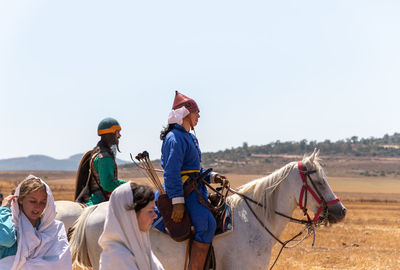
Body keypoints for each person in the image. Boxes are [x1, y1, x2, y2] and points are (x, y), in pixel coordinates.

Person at [155, 91, 228, 270]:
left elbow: (195, 169)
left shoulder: (190, 137)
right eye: (196, 112)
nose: (199, 116)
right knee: (207, 224)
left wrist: (213, 176)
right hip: (181, 191)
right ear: (186, 113)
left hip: (195, 188)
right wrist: (178, 202)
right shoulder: (175, 138)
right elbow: (171, 172)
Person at [0, 175, 72, 269]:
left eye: (43, 202)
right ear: (21, 199)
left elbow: (61, 263)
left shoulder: (54, 229)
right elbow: (7, 240)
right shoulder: (9, 223)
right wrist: (4, 209)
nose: (38, 207)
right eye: (33, 201)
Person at [98, 182, 164, 270]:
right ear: (131, 215)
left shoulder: (142, 249)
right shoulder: (117, 258)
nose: (155, 216)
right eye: (150, 211)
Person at [75, 117, 127, 206]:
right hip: (101, 200)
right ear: (111, 134)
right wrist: (129, 187)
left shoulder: (97, 152)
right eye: (117, 132)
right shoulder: (104, 157)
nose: (119, 135)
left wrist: (128, 184)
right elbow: (108, 184)